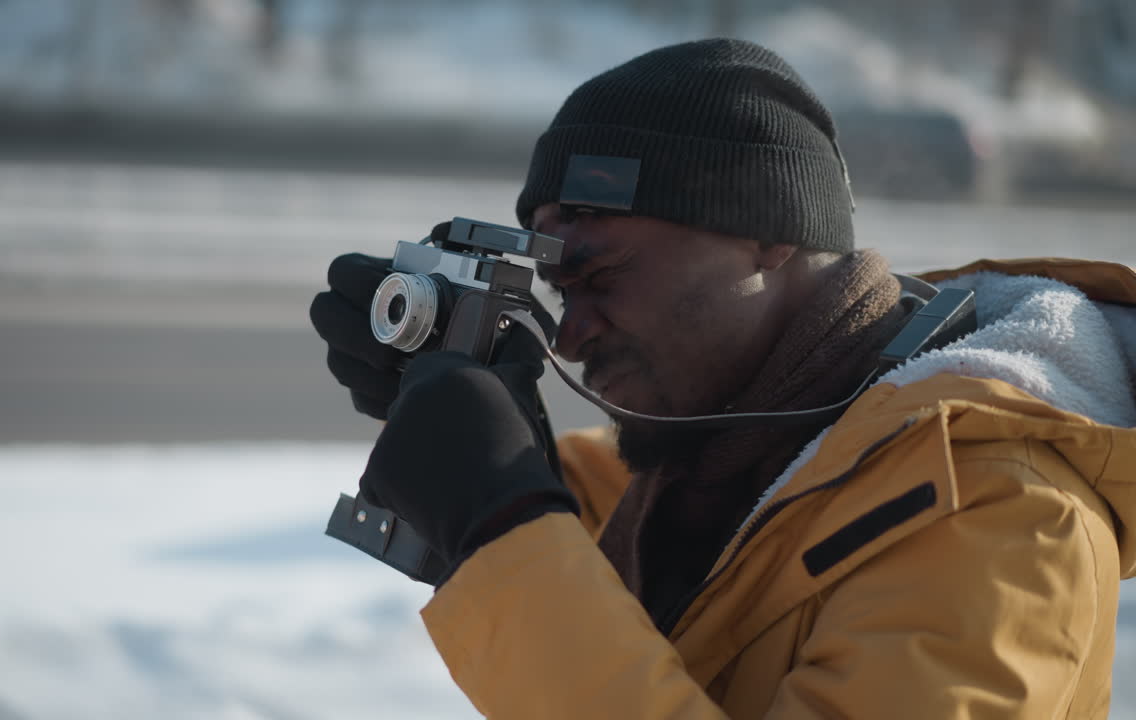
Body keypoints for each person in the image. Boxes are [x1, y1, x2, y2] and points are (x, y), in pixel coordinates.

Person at [309, 38, 1136, 719]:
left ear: (770, 235)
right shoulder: (709, 458)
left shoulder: (999, 514)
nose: (570, 330)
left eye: (601, 277)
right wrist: (481, 446)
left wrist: (508, 529)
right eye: (560, 293)